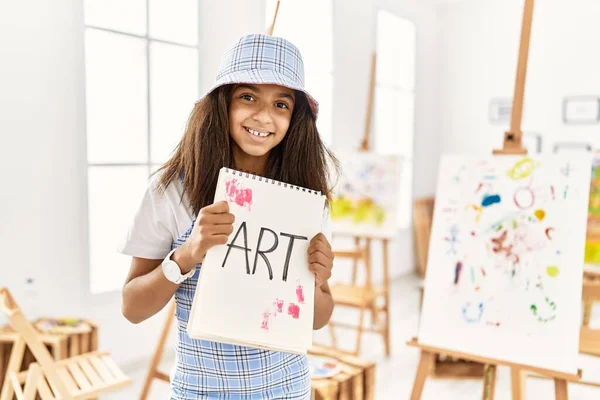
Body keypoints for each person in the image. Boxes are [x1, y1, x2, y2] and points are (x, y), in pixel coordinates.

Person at [118, 33, 339, 399]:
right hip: (201, 390)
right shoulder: (172, 191)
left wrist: (316, 279)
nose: (263, 116)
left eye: (281, 104)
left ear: (295, 118)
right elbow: (132, 308)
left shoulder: (306, 200)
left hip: (287, 389)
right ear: (222, 103)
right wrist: (186, 255)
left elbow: (317, 318)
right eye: (247, 97)